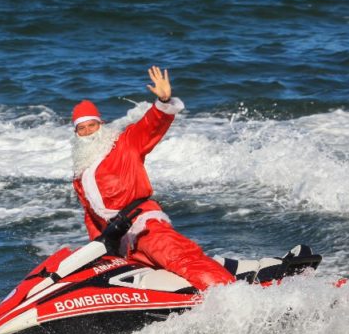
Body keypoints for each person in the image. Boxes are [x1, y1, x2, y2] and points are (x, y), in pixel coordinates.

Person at [70, 66, 236, 290]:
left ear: (102, 125)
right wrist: (100, 249)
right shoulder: (80, 174)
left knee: (182, 259)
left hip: (145, 226)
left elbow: (150, 126)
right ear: (76, 133)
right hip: (121, 243)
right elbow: (91, 216)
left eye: (92, 125)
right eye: (82, 128)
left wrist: (163, 102)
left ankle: (231, 295)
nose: (88, 132)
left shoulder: (124, 144)